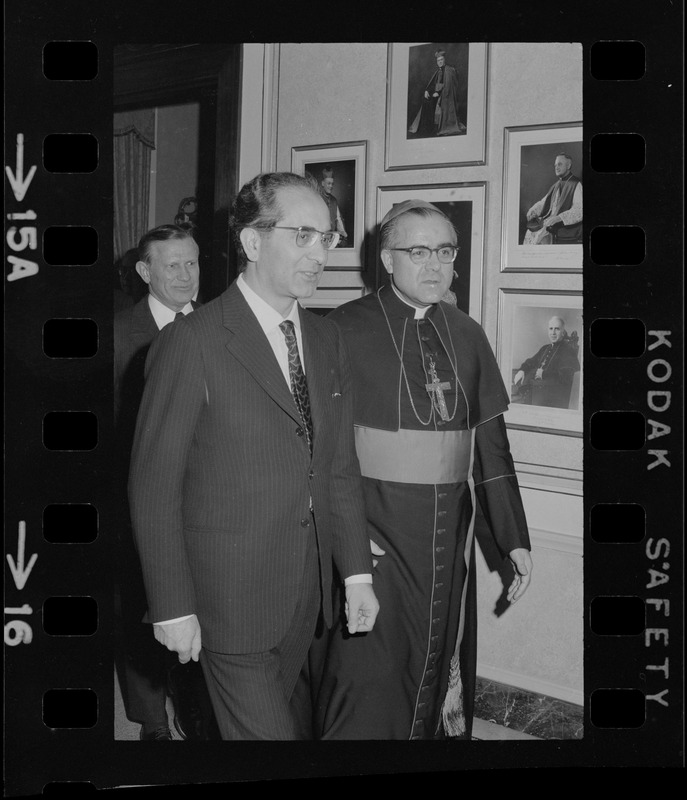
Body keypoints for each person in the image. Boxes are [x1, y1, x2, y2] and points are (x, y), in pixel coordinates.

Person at [128, 172, 379, 740]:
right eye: (304, 236)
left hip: (302, 594)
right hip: (224, 601)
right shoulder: (193, 341)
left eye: (327, 239)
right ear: (252, 242)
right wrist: (170, 604)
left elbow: (336, 466)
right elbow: (153, 484)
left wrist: (356, 572)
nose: (320, 255)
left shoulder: (326, 338)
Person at [313, 199, 532, 740]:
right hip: (375, 529)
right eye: (418, 251)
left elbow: (491, 447)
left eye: (445, 251)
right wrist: (347, 535)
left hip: (445, 535)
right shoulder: (339, 330)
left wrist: (512, 537)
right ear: (387, 260)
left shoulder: (468, 333)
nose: (434, 264)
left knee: (437, 660)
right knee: (367, 676)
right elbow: (311, 447)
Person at [114, 223, 218, 741]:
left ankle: (197, 711)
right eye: (171, 265)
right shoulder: (116, 338)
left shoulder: (219, 327)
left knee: (199, 607)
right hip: (142, 498)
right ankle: (151, 720)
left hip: (206, 501)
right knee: (143, 602)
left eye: (192, 263)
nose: (184, 275)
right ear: (144, 271)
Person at [512, 315, 581, 409]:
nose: (553, 332)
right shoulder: (545, 348)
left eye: (557, 329)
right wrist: (522, 370)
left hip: (551, 397)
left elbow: (567, 375)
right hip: (535, 389)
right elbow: (531, 361)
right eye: (550, 329)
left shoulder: (568, 351)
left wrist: (544, 374)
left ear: (563, 332)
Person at [523, 153, 582, 245]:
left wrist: (559, 218)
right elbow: (544, 202)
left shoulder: (576, 184)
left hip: (562, 225)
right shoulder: (556, 185)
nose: (556, 167)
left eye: (560, 164)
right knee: (530, 232)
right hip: (549, 221)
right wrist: (533, 210)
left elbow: (580, 210)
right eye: (555, 165)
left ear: (569, 165)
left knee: (540, 235)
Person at [408, 49, 466, 138]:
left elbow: (449, 87)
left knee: (432, 103)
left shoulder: (449, 71)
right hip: (437, 94)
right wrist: (427, 90)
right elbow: (433, 84)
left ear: (444, 60)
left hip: (444, 96)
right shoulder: (438, 71)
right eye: (438, 61)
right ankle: (426, 127)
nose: (439, 62)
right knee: (425, 100)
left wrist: (439, 93)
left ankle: (434, 127)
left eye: (441, 60)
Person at [319, 166, 347, 245]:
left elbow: (338, 219)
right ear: (323, 183)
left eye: (332, 184)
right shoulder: (317, 198)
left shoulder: (334, 200)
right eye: (328, 183)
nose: (331, 186)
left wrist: (343, 232)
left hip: (332, 236)